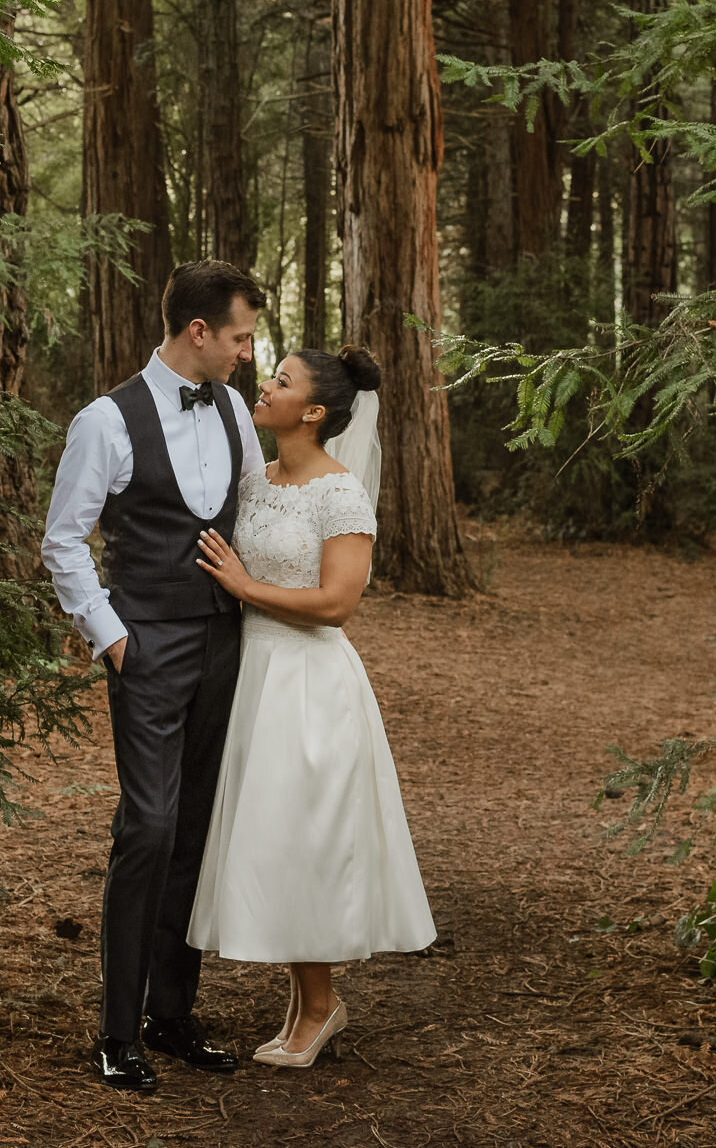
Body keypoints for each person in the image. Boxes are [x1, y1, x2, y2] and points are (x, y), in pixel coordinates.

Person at [40, 260, 266, 1093]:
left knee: (196, 830)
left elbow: (255, 509)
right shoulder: (105, 419)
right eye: (239, 336)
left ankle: (173, 1013)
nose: (247, 352)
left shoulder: (237, 408)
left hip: (225, 643)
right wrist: (113, 639)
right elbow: (63, 541)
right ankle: (116, 1030)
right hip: (148, 647)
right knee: (149, 828)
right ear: (199, 332)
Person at [188, 345, 436, 1068]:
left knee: (304, 837)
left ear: (315, 412)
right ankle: (305, 1002)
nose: (265, 385)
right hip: (254, 678)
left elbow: (337, 603)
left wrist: (242, 587)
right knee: (273, 836)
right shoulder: (256, 482)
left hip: (308, 683)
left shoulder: (340, 493)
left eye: (282, 381)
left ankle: (321, 1005)